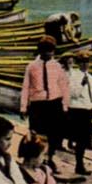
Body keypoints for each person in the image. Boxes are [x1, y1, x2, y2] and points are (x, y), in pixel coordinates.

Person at [20, 36, 70, 173]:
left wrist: (65, 105)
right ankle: (36, 159)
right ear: (40, 51)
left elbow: (64, 86)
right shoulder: (31, 67)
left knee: (54, 134)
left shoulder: (57, 66)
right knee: (37, 134)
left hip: (54, 103)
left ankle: (50, 158)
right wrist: (23, 107)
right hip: (38, 104)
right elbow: (26, 87)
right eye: (45, 51)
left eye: (51, 51)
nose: (48, 54)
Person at [67, 50, 92, 175]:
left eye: (87, 62)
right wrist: (81, 85)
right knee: (79, 139)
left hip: (87, 110)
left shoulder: (91, 78)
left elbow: (91, 95)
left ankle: (81, 163)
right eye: (82, 62)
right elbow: (72, 94)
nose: (85, 64)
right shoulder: (73, 76)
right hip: (77, 110)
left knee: (85, 140)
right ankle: (79, 165)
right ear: (78, 63)